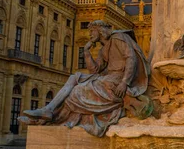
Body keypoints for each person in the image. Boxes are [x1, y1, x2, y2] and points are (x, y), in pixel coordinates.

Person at [21, 20, 152, 137]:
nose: (89, 34)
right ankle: (48, 110)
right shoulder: (102, 50)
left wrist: (125, 82)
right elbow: (94, 70)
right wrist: (86, 52)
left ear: (100, 30)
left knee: (76, 92)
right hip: (107, 79)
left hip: (118, 80)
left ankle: (47, 119)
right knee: (74, 77)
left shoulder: (118, 37)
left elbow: (131, 58)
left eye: (91, 31)